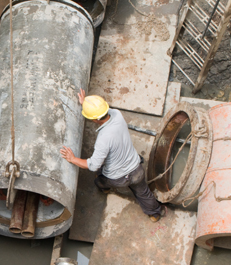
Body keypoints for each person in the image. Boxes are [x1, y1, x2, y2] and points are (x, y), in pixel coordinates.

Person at [60, 89, 163, 222]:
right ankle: (155, 214)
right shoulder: (117, 114)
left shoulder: (103, 139)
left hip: (118, 178)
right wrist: (86, 103)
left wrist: (72, 159)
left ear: (95, 119)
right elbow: (101, 110)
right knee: (144, 193)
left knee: (100, 179)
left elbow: (93, 165)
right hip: (137, 169)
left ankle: (105, 189)